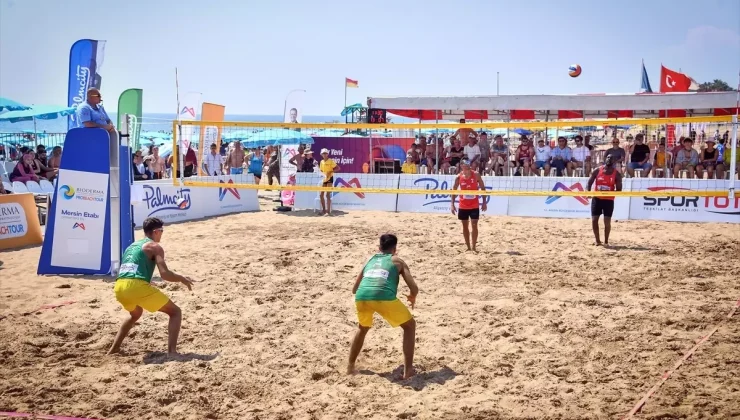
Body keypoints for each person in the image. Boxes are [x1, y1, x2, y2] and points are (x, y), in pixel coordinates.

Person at [108, 217, 195, 355]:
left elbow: (129, 269)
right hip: (135, 286)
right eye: (161, 231)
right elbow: (165, 274)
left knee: (135, 314)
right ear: (155, 231)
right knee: (175, 312)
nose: (162, 233)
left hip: (119, 286)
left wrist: (145, 280)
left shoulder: (132, 246)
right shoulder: (155, 247)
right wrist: (181, 278)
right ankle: (172, 352)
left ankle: (113, 349)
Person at [348, 234, 419, 379]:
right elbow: (414, 287)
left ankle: (350, 367)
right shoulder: (398, 261)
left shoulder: (370, 259)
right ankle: (408, 371)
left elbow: (354, 289)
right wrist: (412, 297)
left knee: (362, 328)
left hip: (361, 296)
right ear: (395, 249)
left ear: (379, 248)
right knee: (410, 326)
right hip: (383, 296)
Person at [450, 159, 487, 252]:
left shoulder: (476, 175)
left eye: (468, 165)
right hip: (463, 205)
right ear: (461, 166)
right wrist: (452, 204)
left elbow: (483, 188)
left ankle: (474, 246)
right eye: (464, 165)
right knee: (465, 226)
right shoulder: (458, 177)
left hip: (474, 205)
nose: (466, 166)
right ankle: (468, 247)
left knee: (474, 224)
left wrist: (484, 202)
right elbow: (454, 190)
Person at [586, 155, 622, 247]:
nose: (609, 159)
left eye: (611, 158)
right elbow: (589, 183)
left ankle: (606, 241)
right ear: (605, 159)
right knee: (594, 220)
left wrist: (608, 192)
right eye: (608, 157)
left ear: (614, 161)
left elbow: (619, 190)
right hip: (597, 198)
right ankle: (597, 241)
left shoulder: (616, 174)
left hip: (608, 200)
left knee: (607, 221)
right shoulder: (598, 170)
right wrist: (588, 192)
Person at [319, 148, 340, 216]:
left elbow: (338, 168)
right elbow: (321, 171)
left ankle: (328, 211)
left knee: (328, 195)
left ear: (327, 154)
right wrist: (320, 173)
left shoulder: (331, 161)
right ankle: (324, 210)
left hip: (330, 178)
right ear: (321, 154)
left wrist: (331, 171)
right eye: (323, 153)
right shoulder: (321, 162)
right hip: (324, 179)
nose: (324, 154)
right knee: (321, 195)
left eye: (325, 153)